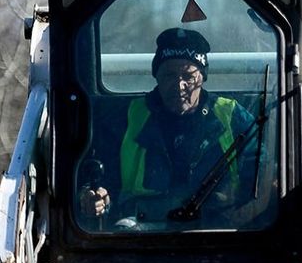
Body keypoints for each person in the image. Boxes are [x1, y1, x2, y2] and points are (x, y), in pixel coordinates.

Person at [79, 27, 258, 225]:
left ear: (202, 77)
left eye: (188, 76)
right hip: (141, 232)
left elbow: (261, 170)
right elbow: (101, 176)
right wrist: (95, 197)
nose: (179, 85)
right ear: (156, 76)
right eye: (169, 75)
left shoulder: (232, 116)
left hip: (216, 228)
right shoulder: (126, 118)